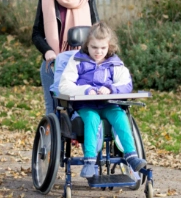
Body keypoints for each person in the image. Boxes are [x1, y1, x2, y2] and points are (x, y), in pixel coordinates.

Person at [58, 21, 147, 178]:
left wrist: (111, 89)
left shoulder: (115, 63)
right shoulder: (77, 61)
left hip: (108, 104)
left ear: (109, 47)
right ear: (87, 45)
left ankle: (132, 156)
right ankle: (90, 162)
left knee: (120, 116)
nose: (98, 52)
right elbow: (64, 86)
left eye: (103, 48)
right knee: (92, 119)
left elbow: (126, 84)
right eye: (94, 47)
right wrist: (86, 90)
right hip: (85, 105)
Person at [32, 0, 99, 115]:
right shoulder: (46, 0)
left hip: (83, 63)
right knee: (54, 112)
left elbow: (98, 32)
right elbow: (36, 34)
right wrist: (47, 50)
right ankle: (52, 139)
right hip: (55, 63)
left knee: (83, 110)